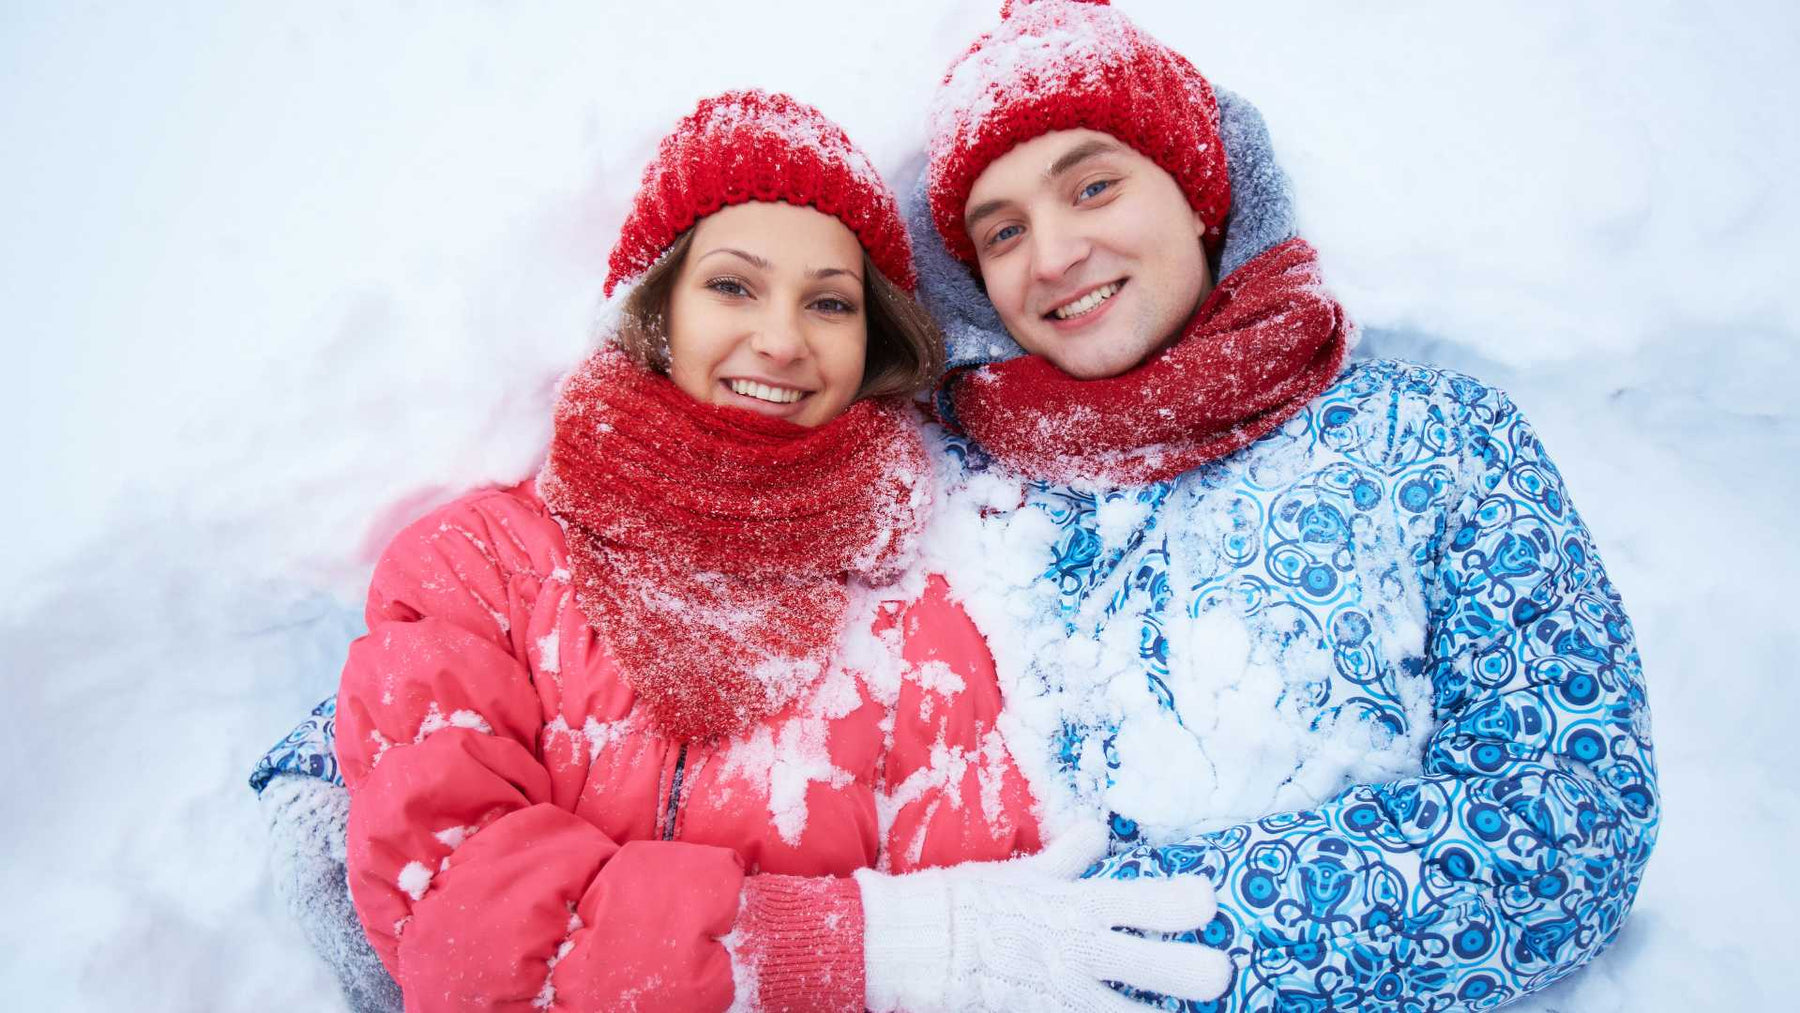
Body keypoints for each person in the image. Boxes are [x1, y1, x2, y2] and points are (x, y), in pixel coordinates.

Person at [252, 88, 1230, 1012]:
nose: (781, 340)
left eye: (830, 303)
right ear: (657, 306)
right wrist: (859, 946)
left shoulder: (930, 603)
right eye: (732, 286)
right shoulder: (477, 564)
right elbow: (463, 917)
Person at [901, 1, 1660, 1009]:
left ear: (1199, 196)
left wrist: (1093, 942)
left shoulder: (1435, 437)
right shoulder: (940, 486)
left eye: (1093, 186)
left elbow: (1567, 823)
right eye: (1003, 232)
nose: (1051, 256)